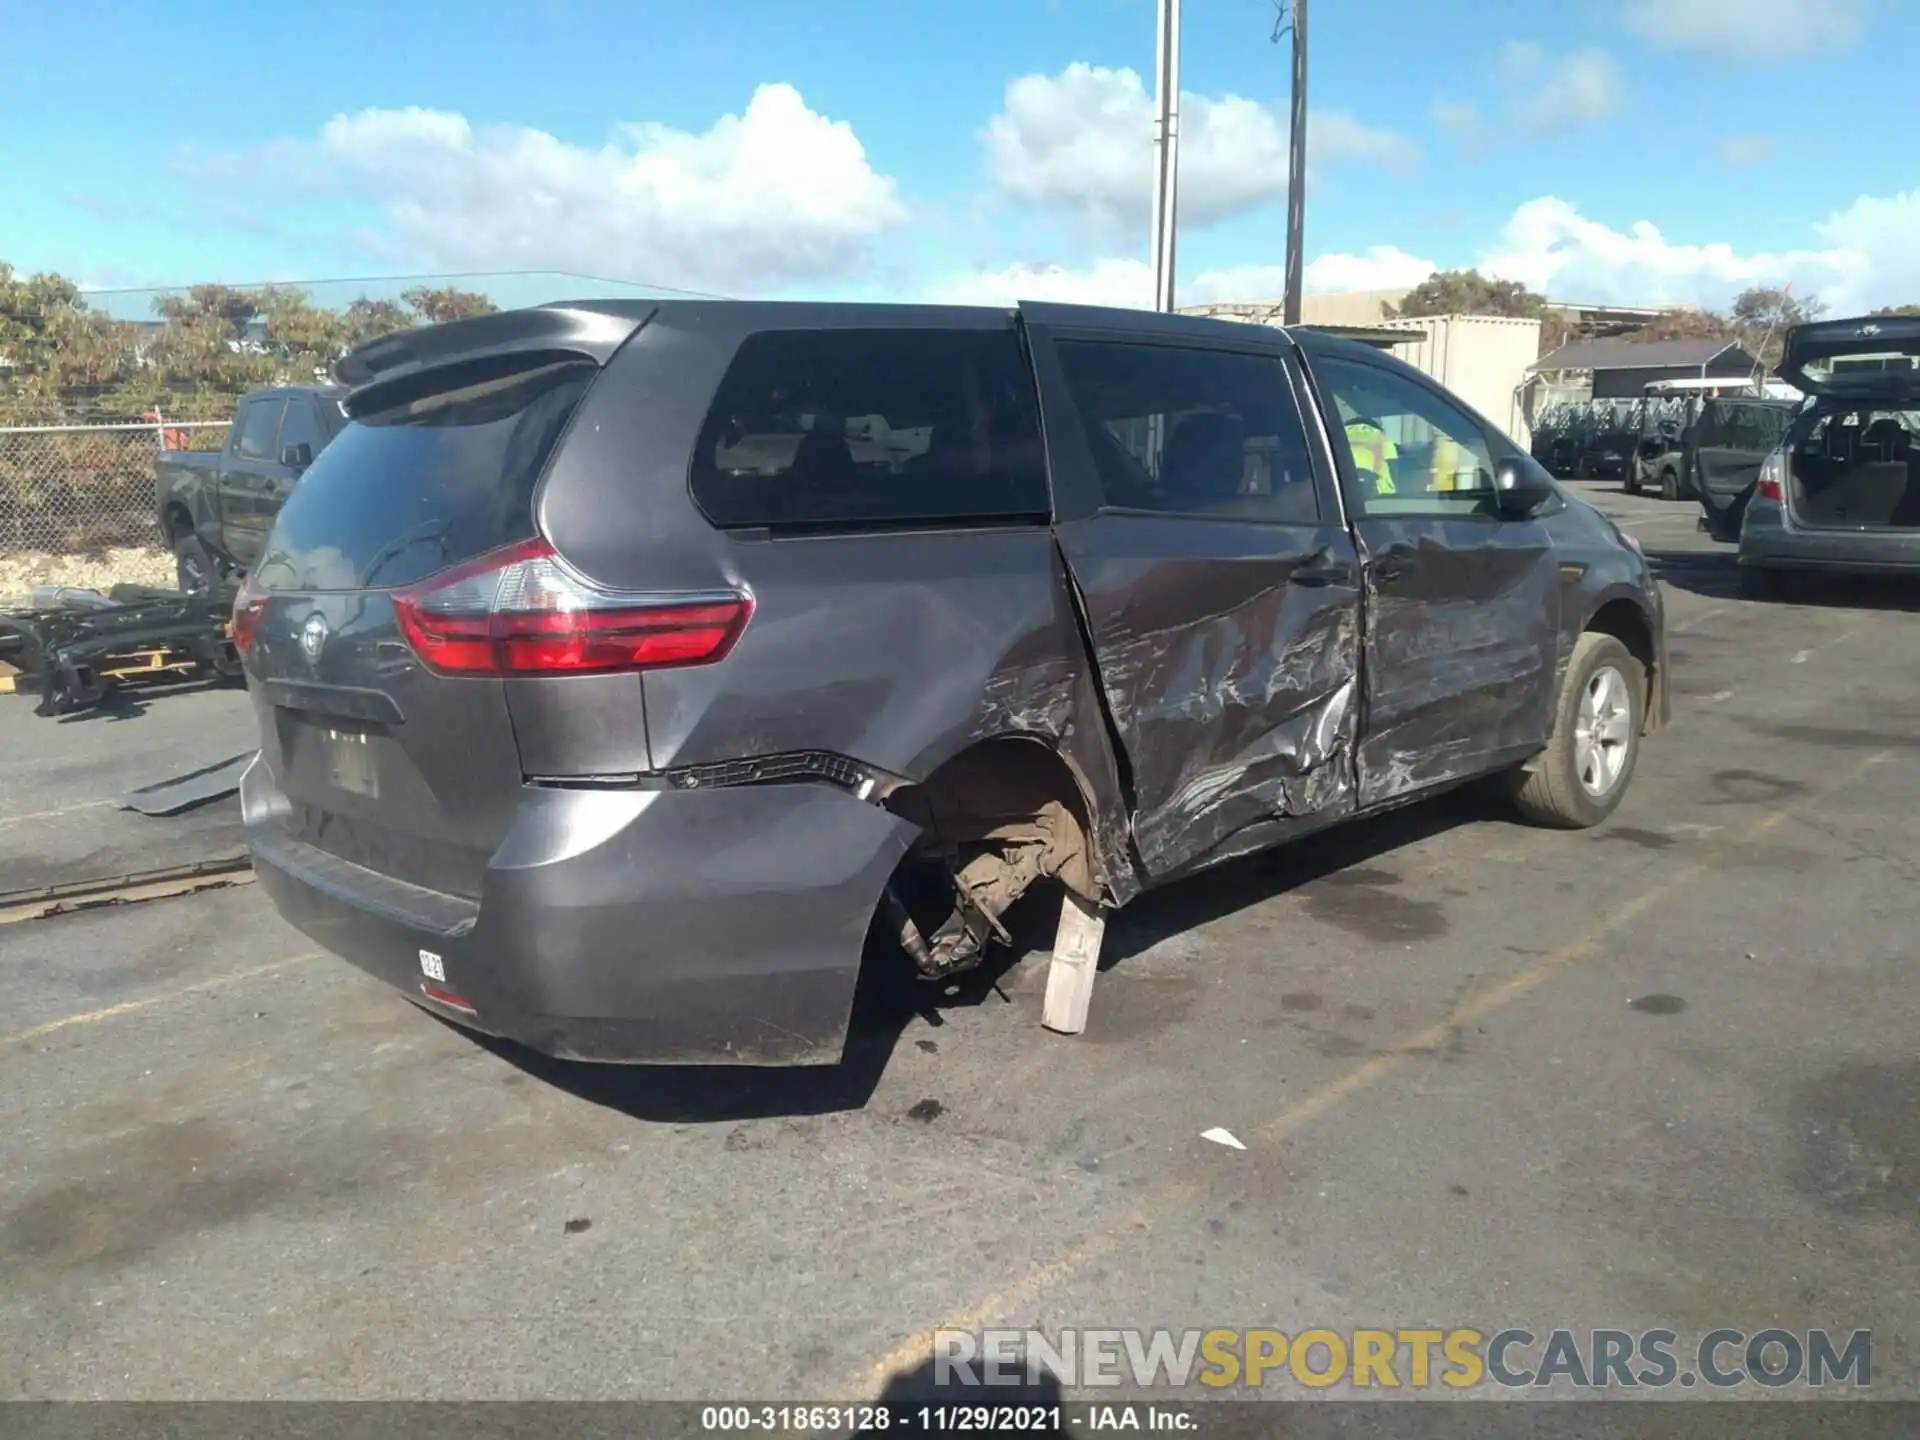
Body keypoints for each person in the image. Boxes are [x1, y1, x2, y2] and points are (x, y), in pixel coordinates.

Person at [1344, 414, 1398, 495]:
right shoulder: (1384, 441)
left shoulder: (1336, 438)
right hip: (1377, 496)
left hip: (1340, 490)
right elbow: (1393, 469)